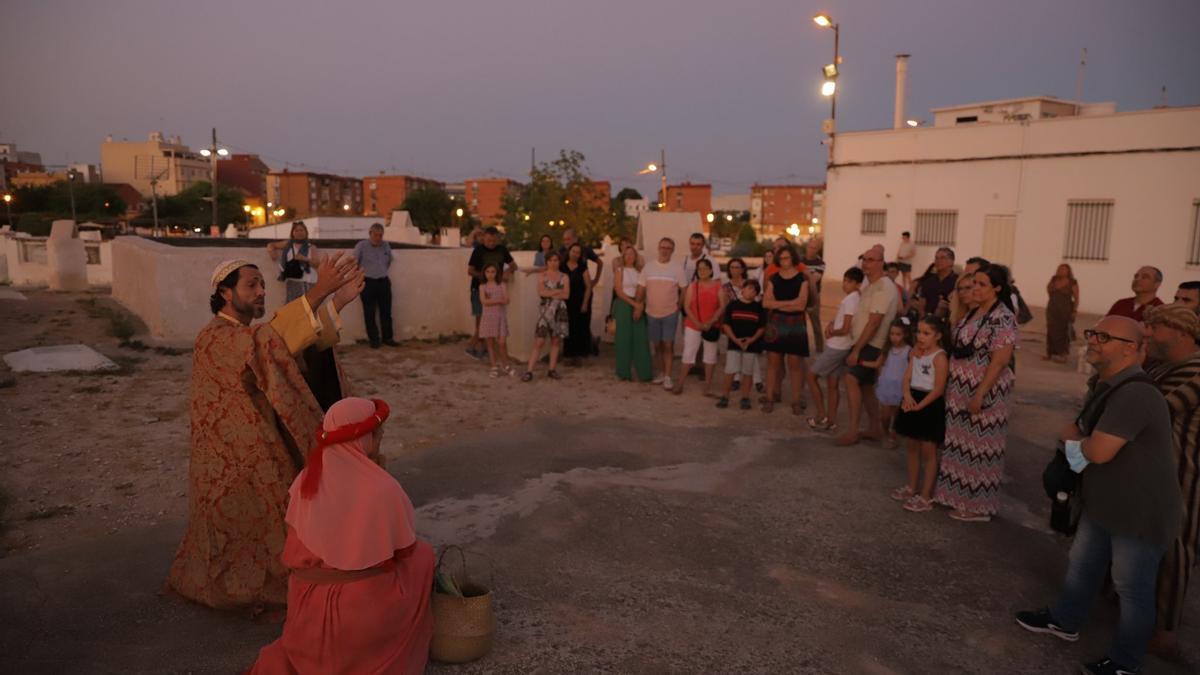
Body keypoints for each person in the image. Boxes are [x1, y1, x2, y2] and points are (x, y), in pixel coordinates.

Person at [167, 255, 364, 611]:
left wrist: (336, 302)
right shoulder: (214, 337)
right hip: (231, 459)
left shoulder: (247, 334)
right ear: (225, 293)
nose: (261, 292)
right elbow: (270, 341)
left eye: (262, 284)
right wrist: (321, 291)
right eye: (251, 285)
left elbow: (283, 344)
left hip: (260, 443)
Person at [1016, 316, 1181, 675]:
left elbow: (1099, 450)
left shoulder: (1136, 392)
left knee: (1132, 588)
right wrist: (1079, 438)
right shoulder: (1108, 384)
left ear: (1133, 348)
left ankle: (1125, 662)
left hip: (1139, 510)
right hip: (1105, 501)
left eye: (1105, 336)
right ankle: (1065, 620)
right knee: (1083, 564)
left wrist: (1072, 438)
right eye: (1094, 333)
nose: (1093, 340)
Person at [246, 398, 434, 674]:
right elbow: (403, 551)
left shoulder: (305, 480)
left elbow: (296, 554)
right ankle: (385, 647)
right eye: (376, 432)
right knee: (423, 557)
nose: (380, 437)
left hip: (309, 607)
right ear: (362, 437)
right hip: (360, 610)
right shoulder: (382, 488)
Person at [932, 265, 1018, 522]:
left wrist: (980, 393)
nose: (975, 289)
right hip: (960, 390)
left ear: (997, 288)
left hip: (985, 392)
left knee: (980, 448)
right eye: (974, 284)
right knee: (960, 445)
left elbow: (1000, 361)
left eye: (982, 284)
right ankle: (957, 497)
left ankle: (978, 507)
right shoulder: (974, 313)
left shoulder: (1002, 317)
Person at [1143, 304, 1200, 659]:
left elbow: (1155, 410)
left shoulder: (1194, 372)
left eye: (1156, 328)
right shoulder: (1165, 365)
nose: (1148, 334)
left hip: (1183, 473)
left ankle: (1165, 631)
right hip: (1155, 469)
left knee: (1176, 548)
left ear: (1179, 333)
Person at [836, 245, 899, 445]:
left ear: (881, 263)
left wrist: (856, 350)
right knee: (866, 387)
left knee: (851, 379)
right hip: (864, 342)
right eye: (865, 259)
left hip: (872, 343)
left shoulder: (884, 286)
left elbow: (874, 322)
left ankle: (853, 431)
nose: (866, 263)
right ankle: (875, 428)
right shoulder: (870, 284)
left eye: (871, 260)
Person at [891, 315, 950, 513]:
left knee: (929, 451)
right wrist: (907, 396)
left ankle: (925, 496)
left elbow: (939, 389)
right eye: (919, 332)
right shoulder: (915, 353)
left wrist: (919, 406)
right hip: (912, 400)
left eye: (927, 333)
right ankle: (911, 486)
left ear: (938, 335)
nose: (921, 337)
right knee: (912, 447)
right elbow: (907, 377)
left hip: (929, 404)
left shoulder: (940, 357)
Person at [806, 267, 862, 432]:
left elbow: (845, 328)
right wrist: (832, 324)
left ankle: (822, 415)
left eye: (850, 281)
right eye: (844, 280)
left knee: (811, 376)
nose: (845, 284)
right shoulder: (855, 298)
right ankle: (831, 420)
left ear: (858, 284)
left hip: (838, 346)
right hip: (841, 346)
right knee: (832, 383)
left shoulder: (851, 299)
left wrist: (832, 331)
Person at [761, 245, 810, 414]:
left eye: (787, 257)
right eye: (781, 258)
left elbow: (802, 304)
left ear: (793, 258)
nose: (784, 261)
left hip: (795, 324)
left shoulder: (802, 279)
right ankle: (769, 398)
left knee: (795, 365)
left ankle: (796, 401)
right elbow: (766, 303)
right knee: (773, 364)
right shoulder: (773, 278)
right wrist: (790, 303)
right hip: (776, 324)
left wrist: (779, 305)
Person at [639, 237, 688, 391]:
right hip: (651, 313)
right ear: (658, 248)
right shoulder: (648, 267)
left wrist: (678, 306)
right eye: (663, 247)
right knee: (657, 345)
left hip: (670, 313)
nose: (665, 250)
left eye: (668, 248)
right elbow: (641, 289)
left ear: (672, 250)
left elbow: (684, 289)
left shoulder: (677, 268)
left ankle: (667, 377)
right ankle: (661, 372)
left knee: (668, 345)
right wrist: (638, 305)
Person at [675, 258, 725, 396]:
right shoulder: (693, 286)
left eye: (705, 269)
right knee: (688, 354)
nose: (702, 271)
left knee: (710, 357)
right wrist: (697, 323)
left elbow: (722, 306)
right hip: (693, 325)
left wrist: (711, 321)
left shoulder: (717, 286)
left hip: (711, 325)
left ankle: (707, 386)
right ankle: (680, 383)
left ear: (711, 271)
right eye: (700, 269)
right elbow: (687, 306)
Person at [466, 227, 517, 359]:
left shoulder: (502, 249)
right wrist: (485, 279)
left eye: (494, 240)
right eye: (489, 240)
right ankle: (472, 346)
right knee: (481, 321)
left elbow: (514, 265)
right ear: (484, 237)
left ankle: (480, 349)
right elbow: (470, 271)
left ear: (498, 239)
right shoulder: (478, 250)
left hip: (495, 290)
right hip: (478, 289)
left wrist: (506, 272)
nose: (491, 243)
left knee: (490, 321)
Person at [717, 280, 766, 409]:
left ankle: (745, 397)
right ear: (742, 289)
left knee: (747, 372)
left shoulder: (759, 308)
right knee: (730, 371)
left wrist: (751, 340)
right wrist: (735, 340)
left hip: (751, 345)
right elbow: (726, 325)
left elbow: (761, 327)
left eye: (755, 290)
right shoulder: (733, 305)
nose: (752, 291)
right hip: (734, 344)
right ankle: (725, 397)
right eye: (749, 288)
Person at [867, 317, 914, 449]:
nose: (894, 337)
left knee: (897, 414)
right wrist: (861, 362)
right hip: (887, 386)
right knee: (885, 415)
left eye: (898, 334)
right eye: (892, 334)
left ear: (905, 334)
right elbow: (877, 364)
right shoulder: (887, 349)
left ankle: (893, 435)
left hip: (900, 388)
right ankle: (885, 432)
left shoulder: (909, 351)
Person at [523, 250, 569, 382]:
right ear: (547, 262)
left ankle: (552, 370)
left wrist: (550, 292)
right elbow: (541, 293)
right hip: (545, 311)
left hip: (560, 310)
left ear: (559, 261)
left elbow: (566, 295)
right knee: (539, 341)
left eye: (556, 260)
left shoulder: (564, 276)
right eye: (551, 260)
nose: (553, 263)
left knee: (555, 341)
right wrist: (558, 291)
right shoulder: (542, 275)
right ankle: (529, 371)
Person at [613, 244, 653, 382]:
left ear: (636, 257)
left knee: (641, 338)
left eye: (632, 254)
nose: (629, 256)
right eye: (627, 254)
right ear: (623, 256)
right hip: (624, 305)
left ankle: (645, 373)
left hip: (639, 304)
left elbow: (644, 289)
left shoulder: (640, 271)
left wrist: (639, 305)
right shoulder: (619, 270)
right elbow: (618, 291)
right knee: (624, 338)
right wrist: (634, 304)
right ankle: (623, 372)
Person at [354, 223, 397, 349]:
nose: (378, 237)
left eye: (380, 235)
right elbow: (354, 261)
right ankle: (374, 340)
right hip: (367, 282)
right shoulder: (361, 246)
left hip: (383, 281)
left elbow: (389, 261)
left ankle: (388, 338)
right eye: (376, 235)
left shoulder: (386, 245)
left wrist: (381, 271)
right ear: (370, 233)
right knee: (369, 312)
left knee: (386, 311)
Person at [266, 221, 321, 303]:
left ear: (306, 232)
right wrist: (272, 252)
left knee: (308, 307)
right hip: (292, 281)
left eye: (301, 230)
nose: (299, 233)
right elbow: (272, 245)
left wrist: (304, 258)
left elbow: (317, 263)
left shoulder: (311, 247)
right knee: (293, 308)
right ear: (292, 233)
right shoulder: (288, 244)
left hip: (308, 281)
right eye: (296, 230)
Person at [561, 243, 594, 366]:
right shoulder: (562, 266)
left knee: (580, 327)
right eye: (573, 251)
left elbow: (588, 286)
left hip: (580, 300)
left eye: (578, 252)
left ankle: (579, 356)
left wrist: (585, 303)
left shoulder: (582, 267)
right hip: (566, 301)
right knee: (567, 327)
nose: (575, 254)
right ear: (569, 251)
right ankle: (568, 355)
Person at [479, 263, 513, 378]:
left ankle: (506, 365)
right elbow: (484, 301)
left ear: (497, 273)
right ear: (484, 273)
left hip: (500, 317)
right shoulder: (482, 286)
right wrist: (499, 300)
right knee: (490, 344)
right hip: (488, 317)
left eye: (493, 271)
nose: (490, 274)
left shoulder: (502, 284)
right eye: (487, 271)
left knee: (502, 343)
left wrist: (493, 300)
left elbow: (507, 300)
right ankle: (493, 367)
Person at [1045, 263, 1079, 363]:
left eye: (1064, 269)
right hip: (1052, 309)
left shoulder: (1072, 282)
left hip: (1065, 310)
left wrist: (1074, 311)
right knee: (1051, 331)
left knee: (1063, 332)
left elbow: (1076, 298)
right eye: (1060, 269)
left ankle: (1063, 354)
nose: (1061, 271)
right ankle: (1050, 354)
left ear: (1068, 271)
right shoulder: (1054, 279)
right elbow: (1048, 290)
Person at [915, 247, 957, 318]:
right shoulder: (928, 281)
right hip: (928, 321)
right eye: (936, 258)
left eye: (942, 258)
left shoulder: (957, 281)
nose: (938, 261)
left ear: (951, 261)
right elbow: (922, 305)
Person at [801, 238, 827, 353]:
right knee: (801, 325)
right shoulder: (799, 260)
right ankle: (802, 347)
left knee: (816, 325)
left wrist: (804, 274)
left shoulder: (821, 263)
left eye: (814, 248)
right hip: (800, 297)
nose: (811, 250)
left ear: (818, 250)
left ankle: (820, 349)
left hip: (813, 297)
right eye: (810, 247)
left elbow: (815, 279)